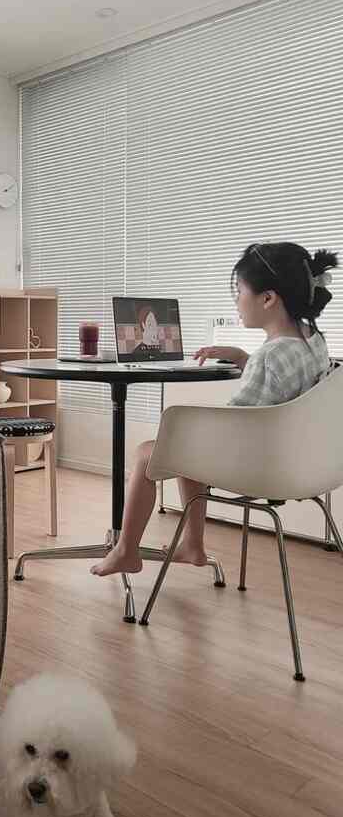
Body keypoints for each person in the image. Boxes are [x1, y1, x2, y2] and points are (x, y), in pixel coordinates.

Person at [91, 241, 337, 577]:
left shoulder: (269, 357)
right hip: (300, 464)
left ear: (268, 298)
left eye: (240, 292)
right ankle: (192, 545)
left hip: (257, 467)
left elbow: (238, 423)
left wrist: (196, 426)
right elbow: (283, 388)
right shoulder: (312, 340)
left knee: (148, 453)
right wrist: (243, 357)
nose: (236, 301)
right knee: (190, 445)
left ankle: (126, 551)